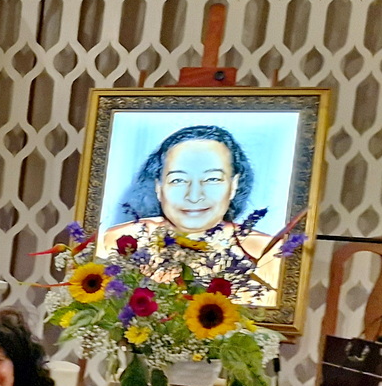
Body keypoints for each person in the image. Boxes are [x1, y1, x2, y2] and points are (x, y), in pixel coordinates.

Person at [98, 124, 278, 294]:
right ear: (158, 187)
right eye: (178, 180)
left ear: (234, 185)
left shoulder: (267, 253)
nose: (193, 196)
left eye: (212, 179)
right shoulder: (116, 243)